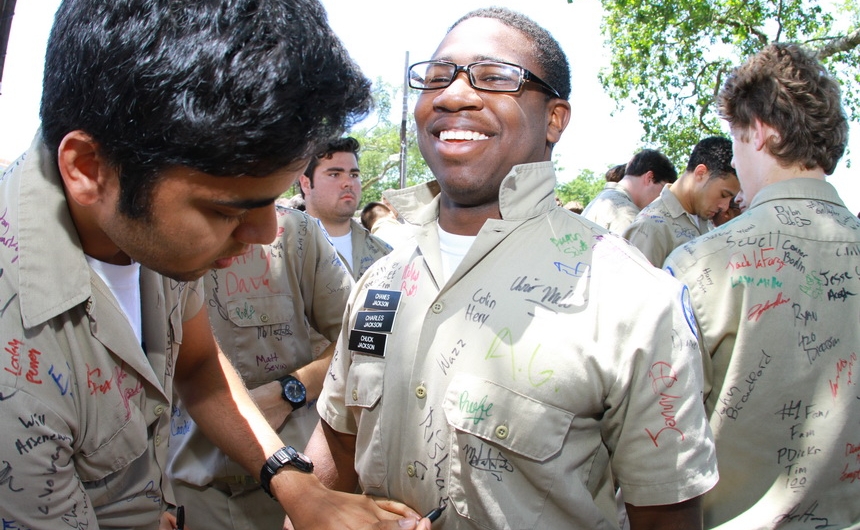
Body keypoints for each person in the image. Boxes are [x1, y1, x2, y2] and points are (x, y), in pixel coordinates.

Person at [0, 1, 428, 529]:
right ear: (89, 169)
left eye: (271, 200)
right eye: (227, 210)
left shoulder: (151, 224)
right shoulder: (16, 350)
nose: (266, 234)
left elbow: (198, 363)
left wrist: (300, 490)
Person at [308, 7, 717, 529]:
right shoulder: (380, 282)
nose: (454, 95)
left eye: (495, 77)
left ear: (554, 119)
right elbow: (336, 448)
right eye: (437, 76)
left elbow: (665, 517)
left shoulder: (635, 302)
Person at [664, 43, 859, 529]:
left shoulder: (697, 263)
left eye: (734, 138)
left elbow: (658, 448)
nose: (732, 156)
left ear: (763, 134)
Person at [167, 205, 353, 530]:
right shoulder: (152, 239)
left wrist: (289, 391)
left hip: (292, 488)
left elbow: (358, 342)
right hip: (191, 493)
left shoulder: (294, 233)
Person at [623, 136, 739, 267]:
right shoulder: (650, 228)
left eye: (731, 199)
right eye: (723, 194)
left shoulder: (705, 222)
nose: (724, 206)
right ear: (701, 173)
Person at [300, 137, 392, 280]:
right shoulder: (283, 251)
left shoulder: (385, 254)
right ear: (306, 184)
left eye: (353, 175)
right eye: (334, 174)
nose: (348, 183)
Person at [582, 149, 677, 233]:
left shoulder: (603, 199)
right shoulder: (626, 214)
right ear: (650, 177)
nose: (662, 197)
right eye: (663, 190)